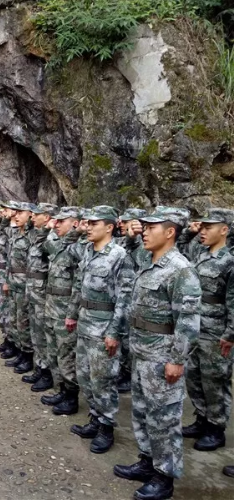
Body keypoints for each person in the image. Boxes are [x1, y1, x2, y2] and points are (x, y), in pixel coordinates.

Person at [114, 207, 201, 500]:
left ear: (170, 232)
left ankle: (164, 478)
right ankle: (147, 461)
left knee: (164, 419)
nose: (145, 231)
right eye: (145, 227)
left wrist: (177, 360)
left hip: (163, 358)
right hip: (141, 354)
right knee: (142, 412)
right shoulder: (148, 261)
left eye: (152, 227)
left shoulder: (180, 270)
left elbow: (188, 323)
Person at [67, 205, 134, 454]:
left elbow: (125, 299)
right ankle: (95, 419)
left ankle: (106, 427)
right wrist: (72, 314)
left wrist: (114, 333)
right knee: (85, 376)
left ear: (109, 227)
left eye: (94, 223)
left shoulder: (119, 255)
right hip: (85, 324)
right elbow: (78, 286)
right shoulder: (88, 251)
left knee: (103, 380)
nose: (88, 227)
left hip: (104, 328)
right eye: (87, 222)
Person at [182, 209, 234, 452]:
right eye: (201, 227)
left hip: (216, 333)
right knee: (193, 376)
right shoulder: (199, 253)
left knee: (215, 381)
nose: (202, 231)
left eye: (208, 227)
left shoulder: (229, 261)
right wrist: (189, 231)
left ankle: (216, 427)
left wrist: (230, 334)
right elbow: (179, 247)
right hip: (194, 328)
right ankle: (201, 418)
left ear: (224, 230)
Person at [42, 206, 82, 414]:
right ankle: (61, 390)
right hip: (52, 307)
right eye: (55, 221)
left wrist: (72, 314)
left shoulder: (79, 247)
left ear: (75, 223)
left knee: (66, 354)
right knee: (54, 352)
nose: (55, 224)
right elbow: (46, 245)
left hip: (66, 311)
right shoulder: (59, 244)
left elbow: (78, 286)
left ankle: (71, 396)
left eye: (60, 221)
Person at [23, 203, 59, 391]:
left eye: (37, 214)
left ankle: (47, 372)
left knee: (43, 336)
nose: (32, 217)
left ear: (47, 217)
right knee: (35, 332)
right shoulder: (36, 234)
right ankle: (39, 367)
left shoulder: (52, 237)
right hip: (33, 291)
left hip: (43, 294)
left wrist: (47, 230)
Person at [116, 208, 147, 394]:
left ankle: (128, 374)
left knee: (129, 340)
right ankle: (122, 370)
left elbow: (133, 243)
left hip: (133, 301)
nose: (121, 224)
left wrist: (133, 235)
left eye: (126, 221)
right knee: (121, 338)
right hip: (120, 298)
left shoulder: (144, 245)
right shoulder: (120, 242)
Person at [3, 202, 35, 373]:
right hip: (14, 282)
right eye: (16, 213)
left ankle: (27, 356)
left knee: (24, 322)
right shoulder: (16, 234)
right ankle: (19, 351)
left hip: (25, 285)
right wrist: (7, 280)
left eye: (21, 213)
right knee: (15, 320)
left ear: (30, 214)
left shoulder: (32, 236)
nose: (16, 215)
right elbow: (10, 260)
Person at [0, 201, 18, 355]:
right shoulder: (5, 229)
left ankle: (12, 343)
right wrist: (0, 217)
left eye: (7, 210)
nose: (4, 212)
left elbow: (12, 257)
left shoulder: (15, 231)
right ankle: (6, 339)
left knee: (8, 312)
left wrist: (7, 280)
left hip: (6, 277)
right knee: (0, 311)